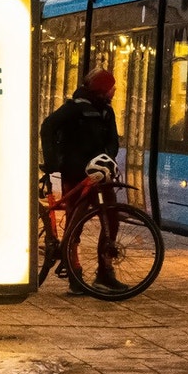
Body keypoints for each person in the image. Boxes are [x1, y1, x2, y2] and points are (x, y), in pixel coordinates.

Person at [40, 69, 126, 290]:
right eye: (111, 87)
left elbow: (113, 141)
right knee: (75, 221)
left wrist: (107, 158)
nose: (114, 91)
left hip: (100, 173)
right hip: (76, 172)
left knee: (111, 218)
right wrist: (51, 163)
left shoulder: (107, 111)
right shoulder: (75, 108)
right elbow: (48, 126)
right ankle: (74, 272)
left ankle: (104, 272)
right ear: (101, 89)